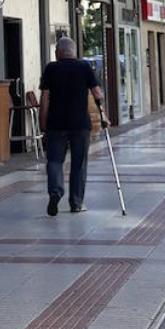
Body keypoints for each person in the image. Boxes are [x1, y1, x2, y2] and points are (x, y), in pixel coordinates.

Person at [39, 36, 108, 216]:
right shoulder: (84, 67)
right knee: (79, 163)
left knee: (54, 160)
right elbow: (97, 93)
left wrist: (43, 122)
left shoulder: (50, 69)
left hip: (56, 123)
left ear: (59, 52)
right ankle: (76, 203)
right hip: (80, 124)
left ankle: (55, 191)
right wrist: (103, 115)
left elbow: (45, 98)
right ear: (73, 51)